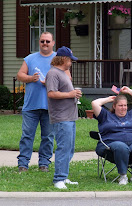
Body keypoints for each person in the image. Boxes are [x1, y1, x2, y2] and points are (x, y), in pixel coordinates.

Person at [92, 86, 132, 185]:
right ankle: (123, 176)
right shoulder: (106, 116)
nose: (123, 108)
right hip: (112, 144)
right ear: (114, 106)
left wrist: (129, 91)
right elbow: (95, 103)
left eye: (125, 105)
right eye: (120, 105)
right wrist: (109, 99)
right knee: (121, 147)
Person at [16, 32, 56, 172]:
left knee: (48, 137)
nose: (45, 43)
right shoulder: (30, 58)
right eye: (42, 41)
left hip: (51, 106)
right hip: (31, 105)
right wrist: (30, 78)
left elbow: (67, 79)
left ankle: (44, 164)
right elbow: (20, 75)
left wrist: (50, 83)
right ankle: (23, 164)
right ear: (39, 42)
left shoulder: (58, 59)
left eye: (47, 41)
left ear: (53, 43)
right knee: (27, 136)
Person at [45, 46, 82, 189]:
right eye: (71, 60)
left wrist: (73, 93)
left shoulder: (63, 73)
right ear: (65, 59)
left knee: (69, 148)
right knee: (63, 148)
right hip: (61, 117)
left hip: (70, 116)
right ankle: (58, 179)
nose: (72, 62)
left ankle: (64, 176)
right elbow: (51, 93)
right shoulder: (53, 73)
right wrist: (70, 94)